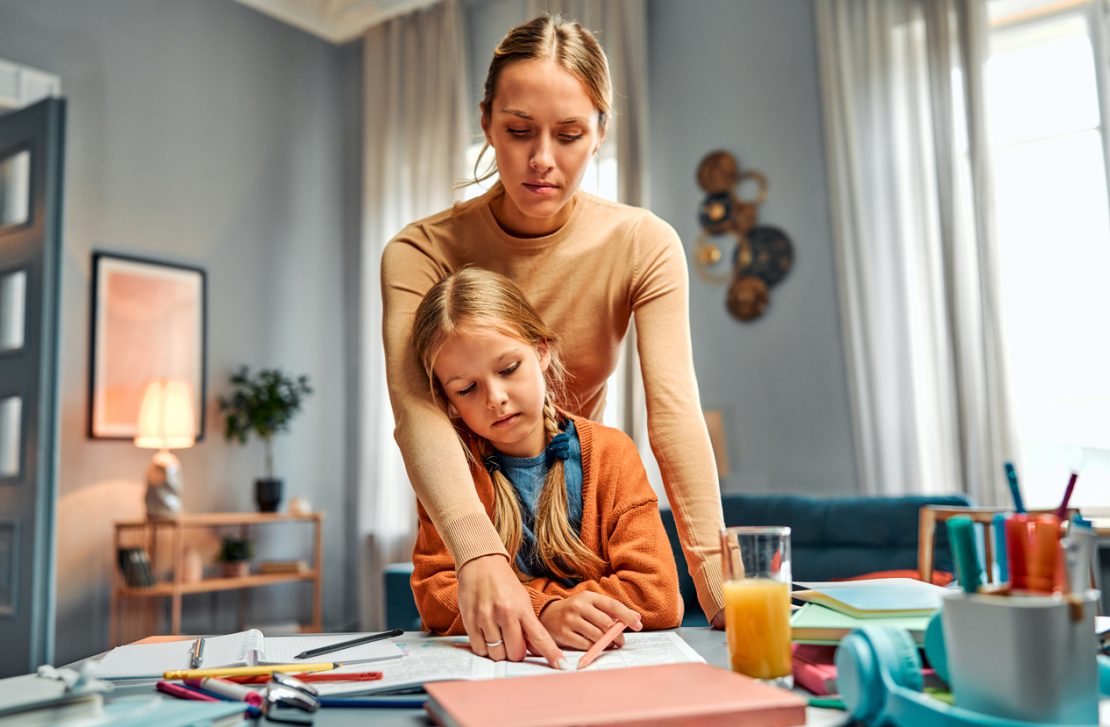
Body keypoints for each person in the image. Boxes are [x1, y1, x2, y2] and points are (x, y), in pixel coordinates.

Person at [381, 14, 724, 667]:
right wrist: (481, 556)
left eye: (568, 134)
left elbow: (674, 410)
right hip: (477, 497)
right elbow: (416, 412)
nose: (542, 159)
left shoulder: (643, 244)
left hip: (577, 501)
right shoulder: (418, 251)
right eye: (517, 131)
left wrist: (725, 589)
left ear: (600, 129)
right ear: (486, 123)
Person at [408, 267, 682, 656]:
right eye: (467, 388)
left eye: (507, 369)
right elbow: (437, 598)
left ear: (541, 351)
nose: (495, 397)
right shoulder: (449, 469)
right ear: (448, 401)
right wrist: (548, 612)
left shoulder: (612, 453)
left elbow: (656, 595)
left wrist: (520, 604)